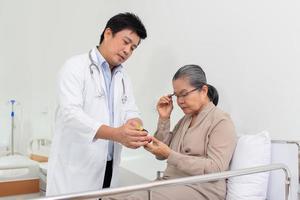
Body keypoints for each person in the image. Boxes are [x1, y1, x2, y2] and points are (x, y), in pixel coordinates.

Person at [46, 12, 151, 196]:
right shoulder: (75, 67)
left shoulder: (123, 77)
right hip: (76, 171)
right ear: (107, 33)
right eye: (125, 42)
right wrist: (117, 134)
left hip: (108, 169)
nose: (128, 51)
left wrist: (135, 128)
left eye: (133, 48)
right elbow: (70, 115)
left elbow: (130, 110)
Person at [104, 64, 237, 200]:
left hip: (201, 188)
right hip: (171, 183)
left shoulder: (221, 121)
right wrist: (164, 118)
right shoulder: (186, 120)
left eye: (184, 94)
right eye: (177, 96)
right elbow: (161, 155)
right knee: (110, 196)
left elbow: (215, 168)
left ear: (203, 90)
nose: (180, 101)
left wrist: (170, 154)